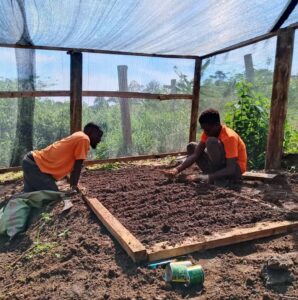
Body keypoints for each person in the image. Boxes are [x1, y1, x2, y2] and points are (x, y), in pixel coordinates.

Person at [163, 108, 247, 185]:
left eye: (207, 130)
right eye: (203, 129)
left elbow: (230, 168)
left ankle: (219, 179)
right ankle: (214, 177)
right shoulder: (209, 132)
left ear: (217, 124)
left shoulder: (230, 137)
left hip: (234, 170)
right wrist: (176, 170)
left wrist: (203, 177)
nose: (205, 133)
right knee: (192, 147)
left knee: (211, 142)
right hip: (219, 167)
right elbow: (195, 154)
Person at [22, 122, 103, 192]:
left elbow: (76, 165)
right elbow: (77, 165)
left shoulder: (80, 135)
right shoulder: (84, 139)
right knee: (52, 195)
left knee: (31, 194)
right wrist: (74, 186)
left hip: (32, 163)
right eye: (98, 135)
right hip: (35, 165)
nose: (100, 140)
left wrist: (73, 184)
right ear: (90, 131)